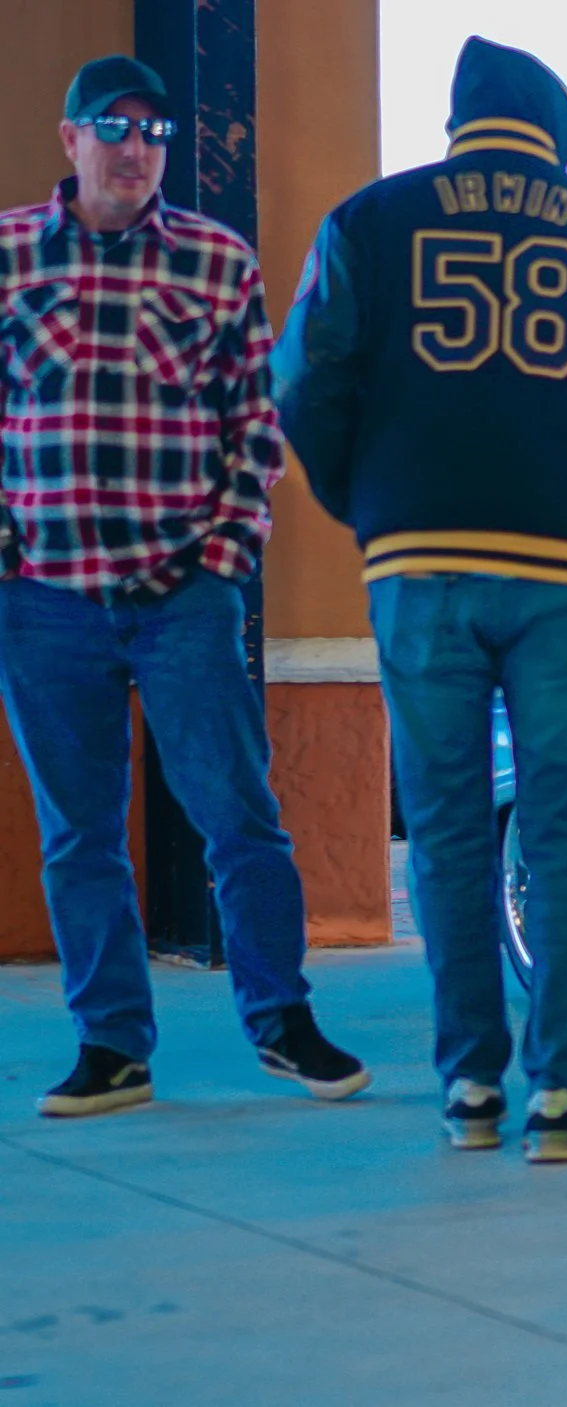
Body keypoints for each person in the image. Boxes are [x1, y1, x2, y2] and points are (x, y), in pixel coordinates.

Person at [273, 38, 567, 1163]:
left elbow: (305, 382)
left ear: (461, 124)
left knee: (451, 832)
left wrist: (368, 502)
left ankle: (470, 1085)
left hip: (419, 563)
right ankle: (558, 1096)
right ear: (557, 139)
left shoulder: (367, 225)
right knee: (564, 836)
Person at [0, 57, 368, 1117]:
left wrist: (221, 558)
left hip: (183, 600)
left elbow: (254, 425)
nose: (135, 148)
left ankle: (283, 1022)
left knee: (240, 816)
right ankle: (110, 1046)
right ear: (69, 139)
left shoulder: (215, 261)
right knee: (80, 834)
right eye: (112, 127)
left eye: (154, 132)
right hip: (45, 600)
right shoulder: (13, 254)